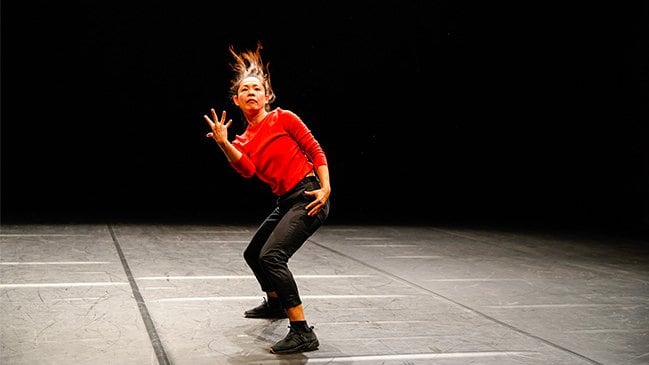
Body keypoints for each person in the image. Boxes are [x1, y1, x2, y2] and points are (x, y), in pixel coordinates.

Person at [202, 42, 331, 354]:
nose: (251, 93)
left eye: (257, 88)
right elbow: (246, 170)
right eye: (244, 89)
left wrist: (326, 187)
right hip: (286, 201)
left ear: (266, 96)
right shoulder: (243, 139)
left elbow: (314, 150)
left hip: (309, 194)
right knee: (254, 253)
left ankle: (302, 331)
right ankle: (275, 303)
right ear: (236, 99)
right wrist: (223, 143)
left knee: (272, 257)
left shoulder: (284, 118)